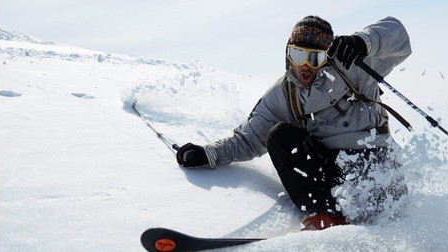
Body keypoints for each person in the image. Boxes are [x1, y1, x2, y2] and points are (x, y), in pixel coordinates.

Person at [176, 15, 412, 230]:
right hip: (335, 176)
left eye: (315, 58)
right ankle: (326, 217)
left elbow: (399, 37)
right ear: (289, 53)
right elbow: (249, 139)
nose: (305, 66)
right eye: (299, 55)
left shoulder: (352, 66)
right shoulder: (284, 94)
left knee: (378, 192)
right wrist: (209, 153)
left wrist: (363, 42)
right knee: (280, 136)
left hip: (377, 169)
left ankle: (378, 219)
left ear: (326, 57)